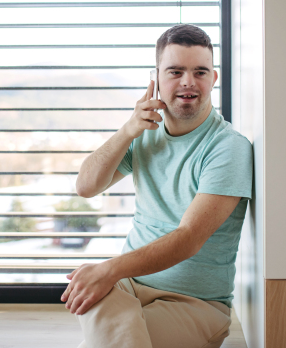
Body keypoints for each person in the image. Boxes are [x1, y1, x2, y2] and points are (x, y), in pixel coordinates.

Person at [61, 24, 254, 348]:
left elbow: (188, 239)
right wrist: (127, 131)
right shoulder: (144, 134)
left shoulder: (228, 147)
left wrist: (108, 270)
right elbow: (86, 187)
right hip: (129, 285)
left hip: (195, 303)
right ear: (156, 79)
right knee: (89, 287)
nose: (188, 82)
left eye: (200, 72)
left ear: (213, 79)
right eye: (176, 71)